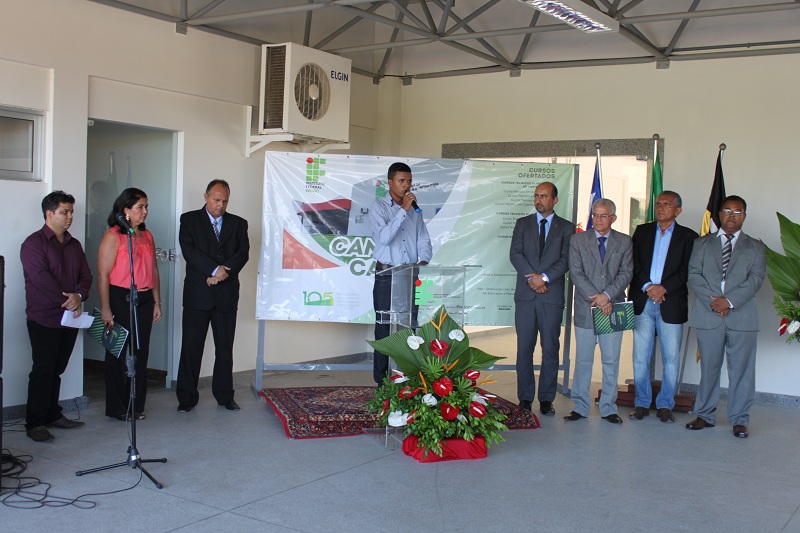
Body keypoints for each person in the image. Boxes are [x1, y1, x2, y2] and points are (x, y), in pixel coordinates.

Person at [686, 195, 765, 438]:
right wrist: (715, 302)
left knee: (742, 370)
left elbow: (755, 280)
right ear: (720, 214)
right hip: (709, 314)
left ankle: (739, 419)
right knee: (709, 367)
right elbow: (694, 275)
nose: (732, 216)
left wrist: (728, 301)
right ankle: (705, 415)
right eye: (727, 211)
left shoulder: (756, 247)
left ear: (744, 216)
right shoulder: (702, 243)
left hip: (742, 317)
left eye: (737, 212)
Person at [20, 191, 93, 442]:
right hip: (44, 317)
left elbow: (86, 276)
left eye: (71, 212)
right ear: (49, 213)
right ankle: (35, 423)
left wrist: (79, 296)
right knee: (43, 370)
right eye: (65, 212)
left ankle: (52, 414)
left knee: (57, 369)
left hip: (70, 318)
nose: (70, 216)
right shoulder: (33, 243)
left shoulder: (74, 245)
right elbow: (40, 279)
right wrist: (70, 300)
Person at [176, 180, 250, 412]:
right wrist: (213, 269)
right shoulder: (189, 220)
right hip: (197, 295)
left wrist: (221, 274)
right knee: (191, 347)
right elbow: (190, 251)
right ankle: (186, 398)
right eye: (216, 200)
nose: (220, 205)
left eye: (225, 201)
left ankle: (225, 396)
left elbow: (242, 254)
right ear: (206, 196)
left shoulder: (239, 224)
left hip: (226, 295)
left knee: (225, 349)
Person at [628, 191, 698, 423]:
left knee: (671, 358)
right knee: (640, 357)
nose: (660, 208)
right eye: (658, 204)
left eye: (666, 204)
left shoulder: (689, 236)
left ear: (678, 210)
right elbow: (634, 263)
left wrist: (663, 288)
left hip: (671, 302)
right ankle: (641, 403)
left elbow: (687, 270)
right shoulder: (642, 231)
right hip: (643, 301)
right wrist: (649, 287)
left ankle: (666, 405)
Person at [565, 198, 633, 424]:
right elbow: (576, 273)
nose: (598, 219)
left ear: (613, 218)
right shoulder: (577, 240)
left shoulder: (624, 241)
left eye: (603, 216)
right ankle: (580, 406)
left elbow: (626, 272)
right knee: (583, 360)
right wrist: (599, 297)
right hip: (587, 308)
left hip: (612, 309)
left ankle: (608, 407)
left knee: (611, 361)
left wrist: (607, 296)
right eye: (595, 215)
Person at [510, 181, 575, 415]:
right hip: (526, 296)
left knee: (550, 349)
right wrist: (533, 279)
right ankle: (525, 398)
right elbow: (515, 254)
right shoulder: (522, 224)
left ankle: (546, 399)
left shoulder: (566, 228)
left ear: (555, 200)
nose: (539, 200)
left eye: (544, 196)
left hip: (551, 297)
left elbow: (566, 259)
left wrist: (544, 278)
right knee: (524, 349)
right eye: (537, 196)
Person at [97, 187, 162, 421]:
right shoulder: (113, 236)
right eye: (139, 207)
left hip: (144, 298)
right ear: (126, 210)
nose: (144, 211)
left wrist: (157, 301)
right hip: (120, 297)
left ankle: (136, 404)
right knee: (117, 352)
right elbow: (103, 274)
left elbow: (154, 270)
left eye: (146, 207)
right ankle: (116, 406)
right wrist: (106, 308)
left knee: (140, 352)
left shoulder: (147, 235)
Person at [369, 162, 432, 385]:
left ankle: (409, 379)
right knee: (384, 328)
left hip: (410, 274)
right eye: (402, 181)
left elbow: (423, 237)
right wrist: (402, 211)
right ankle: (382, 382)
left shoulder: (415, 209)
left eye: (409, 181)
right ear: (390, 182)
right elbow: (384, 237)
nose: (407, 185)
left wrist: (424, 259)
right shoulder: (379, 207)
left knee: (410, 326)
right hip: (387, 274)